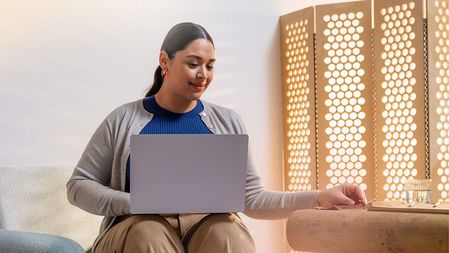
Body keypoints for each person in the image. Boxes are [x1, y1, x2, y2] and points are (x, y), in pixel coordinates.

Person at [67, 22, 367, 253]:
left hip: (204, 231)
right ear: (165, 61)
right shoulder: (123, 120)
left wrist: (318, 198)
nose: (203, 74)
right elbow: (78, 187)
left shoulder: (228, 122)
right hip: (134, 230)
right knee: (148, 231)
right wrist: (135, 203)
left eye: (210, 66)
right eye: (193, 63)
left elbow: (251, 199)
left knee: (229, 232)